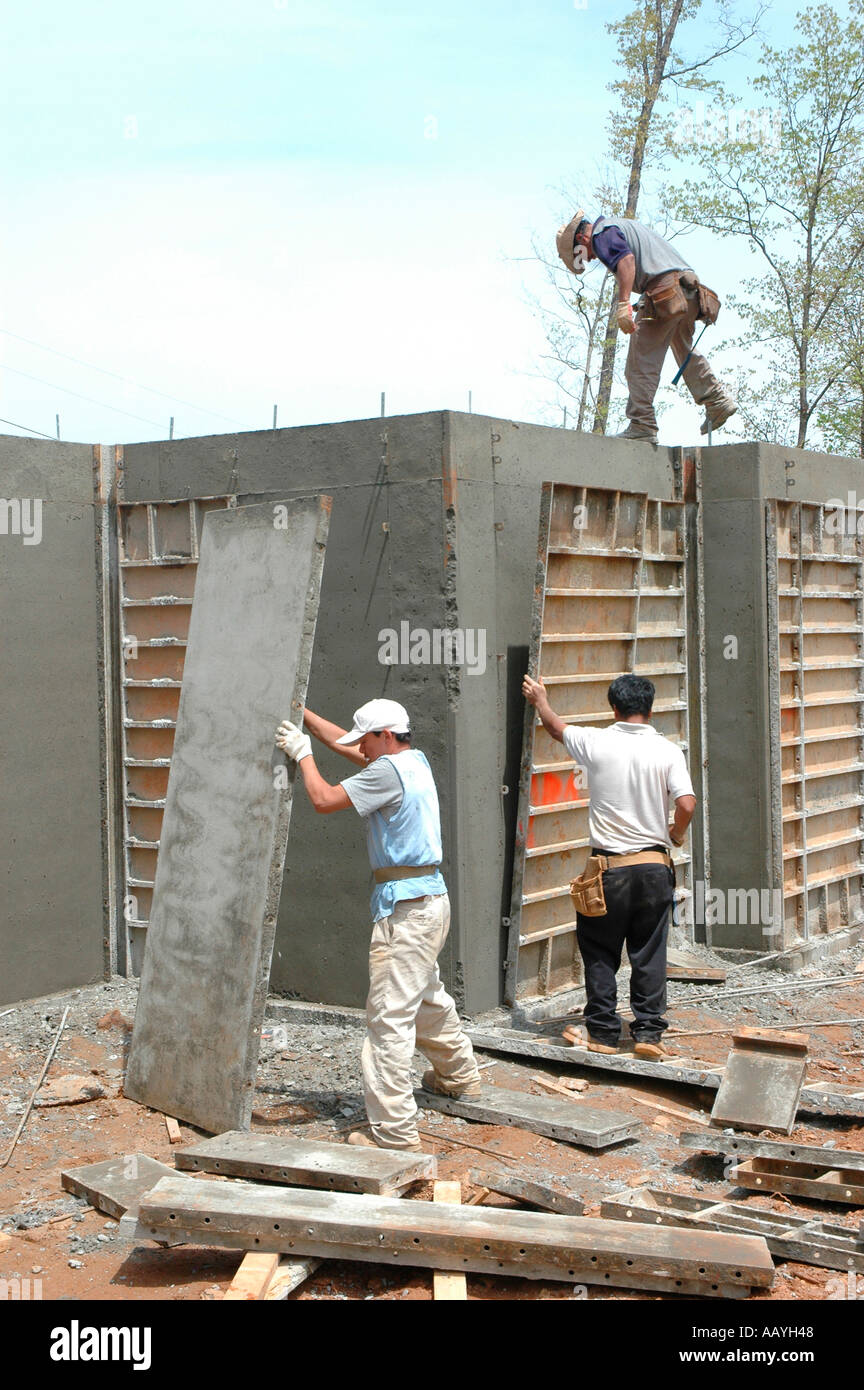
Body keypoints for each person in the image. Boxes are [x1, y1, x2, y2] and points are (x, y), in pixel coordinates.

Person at [275, 697, 481, 1151]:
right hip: (430, 902)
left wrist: (303, 754)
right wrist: (302, 708)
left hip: (406, 910)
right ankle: (458, 1076)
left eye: (365, 740)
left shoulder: (385, 771)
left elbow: (324, 799)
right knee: (426, 996)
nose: (360, 749)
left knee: (388, 1018)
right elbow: (352, 751)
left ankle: (395, 1135)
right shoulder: (412, 760)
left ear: (385, 735)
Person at [522, 672, 697, 1059]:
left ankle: (602, 1032)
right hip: (654, 867)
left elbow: (555, 728)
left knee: (600, 950)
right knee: (649, 952)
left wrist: (540, 700)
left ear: (613, 708)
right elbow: (686, 804)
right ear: (650, 709)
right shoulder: (668, 750)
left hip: (608, 870)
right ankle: (649, 1035)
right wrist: (676, 834)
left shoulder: (597, 741)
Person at [556, 208, 736, 443]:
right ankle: (716, 399)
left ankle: (642, 424)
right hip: (688, 290)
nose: (589, 259)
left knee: (639, 360)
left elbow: (627, 261)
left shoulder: (601, 234)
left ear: (580, 239)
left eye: (582, 255)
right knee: (683, 349)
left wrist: (623, 305)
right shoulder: (620, 226)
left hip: (664, 291)